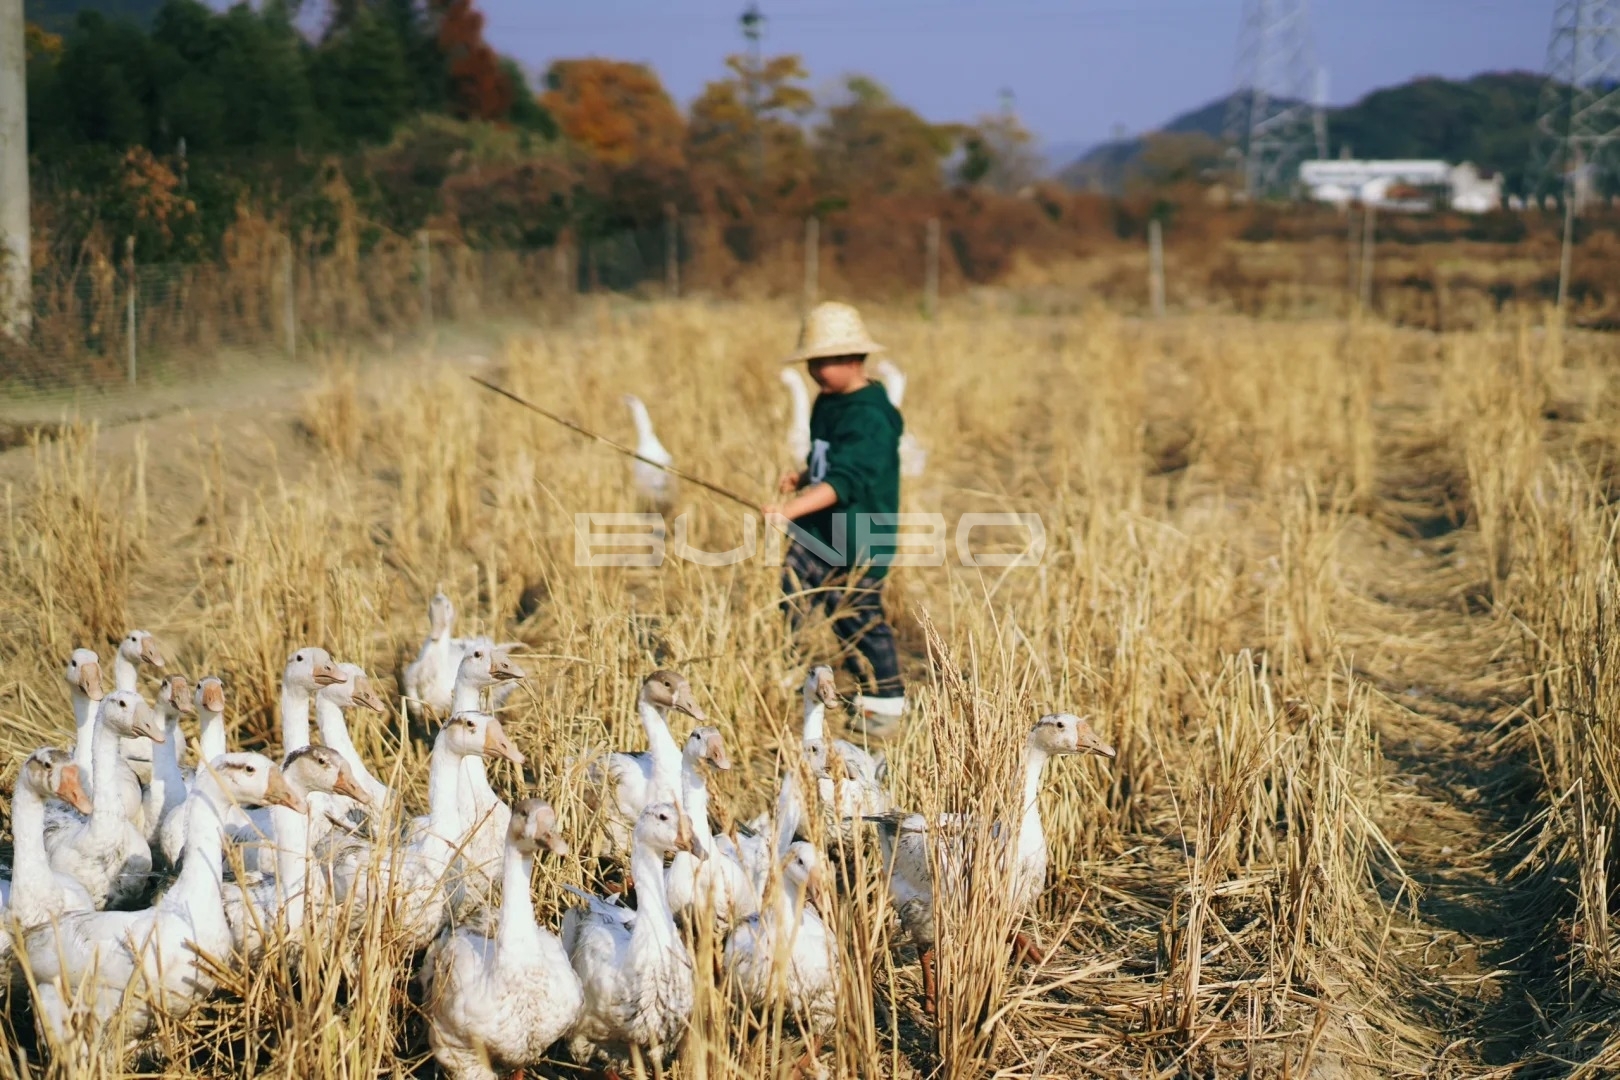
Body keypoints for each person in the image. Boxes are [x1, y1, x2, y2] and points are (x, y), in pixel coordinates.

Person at [763, 301, 907, 736]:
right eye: (813, 363)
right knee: (793, 581)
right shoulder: (827, 402)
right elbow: (830, 461)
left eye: (825, 363)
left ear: (853, 359)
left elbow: (846, 480)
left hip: (862, 534)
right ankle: (789, 667)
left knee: (857, 613)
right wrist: (805, 476)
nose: (816, 371)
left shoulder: (870, 416)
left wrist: (789, 510)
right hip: (822, 528)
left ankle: (887, 699)